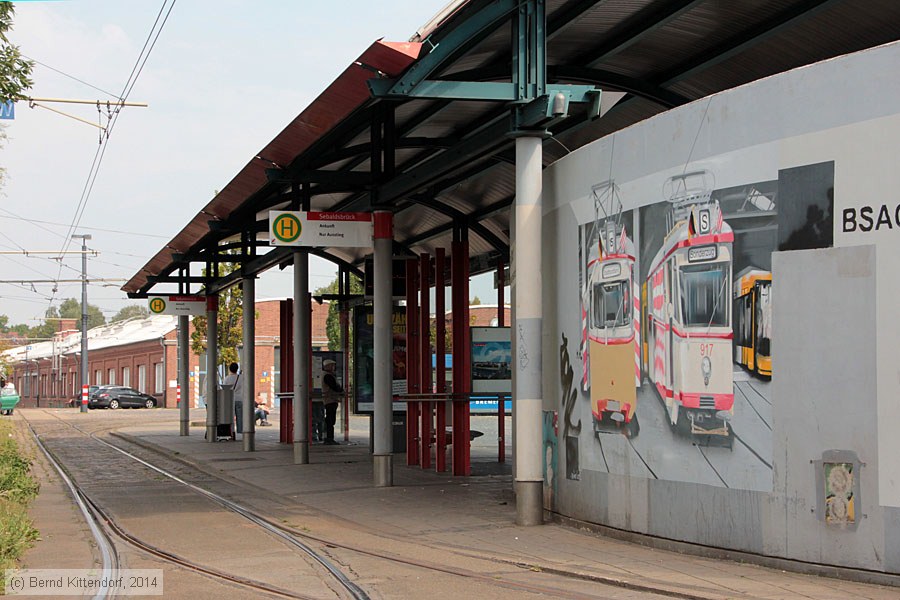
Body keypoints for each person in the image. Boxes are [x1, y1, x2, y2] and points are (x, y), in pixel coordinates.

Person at [321, 359, 343, 445]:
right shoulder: (328, 376)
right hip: (330, 399)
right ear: (328, 366)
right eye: (332, 365)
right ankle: (329, 438)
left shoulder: (328, 375)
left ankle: (328, 437)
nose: (334, 367)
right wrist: (340, 390)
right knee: (330, 419)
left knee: (330, 419)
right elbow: (335, 387)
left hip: (330, 399)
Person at [224, 362, 243, 435]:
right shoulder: (241, 377)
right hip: (240, 399)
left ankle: (232, 431)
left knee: (231, 417)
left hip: (230, 400)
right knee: (240, 417)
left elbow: (224, 389)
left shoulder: (227, 378)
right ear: (237, 369)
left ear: (229, 369)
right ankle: (240, 431)